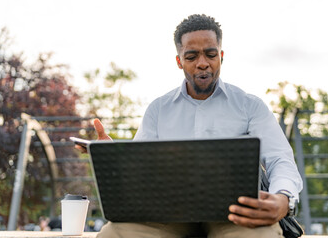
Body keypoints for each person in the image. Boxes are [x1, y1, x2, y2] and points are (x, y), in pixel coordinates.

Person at [81, 14, 303, 238]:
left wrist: (283, 199)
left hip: (236, 216)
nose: (203, 63)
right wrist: (114, 156)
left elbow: (280, 160)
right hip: (168, 217)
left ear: (221, 57)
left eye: (210, 54)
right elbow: (139, 176)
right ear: (179, 61)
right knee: (113, 234)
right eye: (191, 56)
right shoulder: (158, 110)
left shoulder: (249, 106)